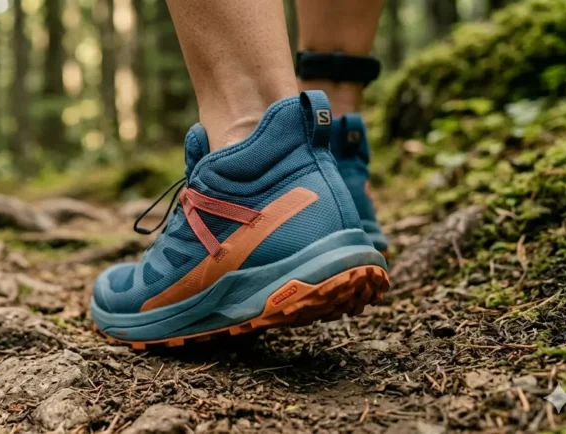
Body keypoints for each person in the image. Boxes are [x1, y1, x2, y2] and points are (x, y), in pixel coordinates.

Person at [90, 0, 391, 349]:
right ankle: (332, 160)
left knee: (250, 115)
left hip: (262, 199)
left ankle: (252, 145)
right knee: (332, 108)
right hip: (322, 180)